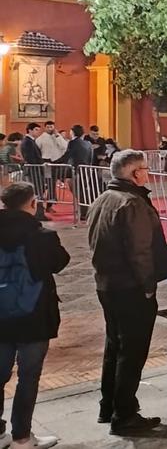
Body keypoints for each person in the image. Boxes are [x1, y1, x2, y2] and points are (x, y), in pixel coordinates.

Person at [87, 149, 167, 434]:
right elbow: (139, 250)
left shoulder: (103, 199)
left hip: (108, 285)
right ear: (135, 173)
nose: (148, 173)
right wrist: (148, 286)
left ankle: (109, 405)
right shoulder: (131, 203)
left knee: (115, 346)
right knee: (132, 350)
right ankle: (124, 414)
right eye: (145, 168)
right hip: (130, 287)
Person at [0, 182, 69, 448]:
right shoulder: (42, 236)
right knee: (28, 377)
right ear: (32, 203)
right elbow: (60, 262)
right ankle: (22, 437)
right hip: (34, 315)